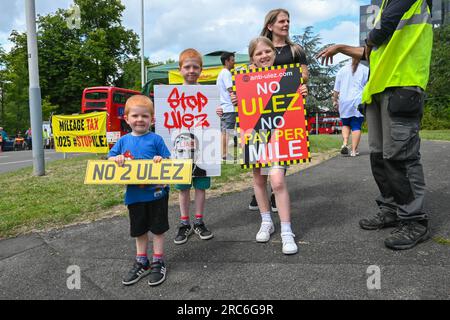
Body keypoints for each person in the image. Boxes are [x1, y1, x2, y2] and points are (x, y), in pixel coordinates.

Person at [317, 0, 433, 250]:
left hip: (402, 85)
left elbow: (380, 31)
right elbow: (372, 49)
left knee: (401, 156)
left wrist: (366, 42)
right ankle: (391, 208)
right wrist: (340, 48)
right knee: (380, 157)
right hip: (379, 91)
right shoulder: (385, 5)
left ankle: (414, 220)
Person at [244, 36, 308, 255]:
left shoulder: (288, 78)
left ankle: (287, 231)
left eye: (267, 51)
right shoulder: (245, 80)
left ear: (274, 52)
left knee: (278, 182)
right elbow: (241, 109)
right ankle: (266, 221)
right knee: (259, 179)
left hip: (280, 135)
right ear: (252, 58)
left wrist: (301, 94)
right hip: (257, 134)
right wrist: (235, 102)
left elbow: (296, 108)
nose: (264, 56)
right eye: (258, 53)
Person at [248, 8, 310, 212]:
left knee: (282, 148)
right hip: (261, 109)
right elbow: (250, 79)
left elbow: (304, 75)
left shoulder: (295, 49)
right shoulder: (260, 48)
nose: (286, 24)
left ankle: (275, 191)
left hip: (287, 106)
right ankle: (261, 189)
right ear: (270, 25)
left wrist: (299, 86)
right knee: (261, 147)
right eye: (281, 21)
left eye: (288, 21)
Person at [108, 94, 171, 286]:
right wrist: (116, 159)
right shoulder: (123, 141)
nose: (140, 120)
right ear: (126, 119)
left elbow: (169, 161)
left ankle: (158, 261)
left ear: (152, 119)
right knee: (139, 230)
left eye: (145, 116)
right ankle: (142, 261)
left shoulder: (156, 139)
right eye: (135, 116)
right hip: (135, 196)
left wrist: (161, 160)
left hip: (157, 194)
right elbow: (110, 158)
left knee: (158, 230)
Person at [173, 48, 214, 245]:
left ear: (201, 70)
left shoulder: (208, 94)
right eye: (187, 67)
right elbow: (167, 120)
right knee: (182, 187)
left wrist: (219, 112)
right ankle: (184, 223)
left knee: (200, 186)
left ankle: (198, 221)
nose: (191, 70)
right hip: (180, 149)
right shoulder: (171, 95)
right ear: (179, 69)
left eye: (195, 67)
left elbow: (214, 117)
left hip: (203, 149)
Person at [333, 58, 369, 157]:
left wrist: (335, 100)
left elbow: (336, 89)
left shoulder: (342, 70)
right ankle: (353, 150)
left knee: (345, 124)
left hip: (344, 101)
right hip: (358, 100)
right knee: (356, 125)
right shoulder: (365, 70)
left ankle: (344, 143)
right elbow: (369, 86)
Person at [216, 51, 237, 160]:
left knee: (223, 132)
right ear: (227, 61)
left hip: (223, 107)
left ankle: (223, 153)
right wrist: (235, 96)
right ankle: (225, 154)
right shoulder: (226, 73)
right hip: (228, 107)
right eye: (232, 60)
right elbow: (230, 89)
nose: (234, 62)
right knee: (227, 132)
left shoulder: (221, 73)